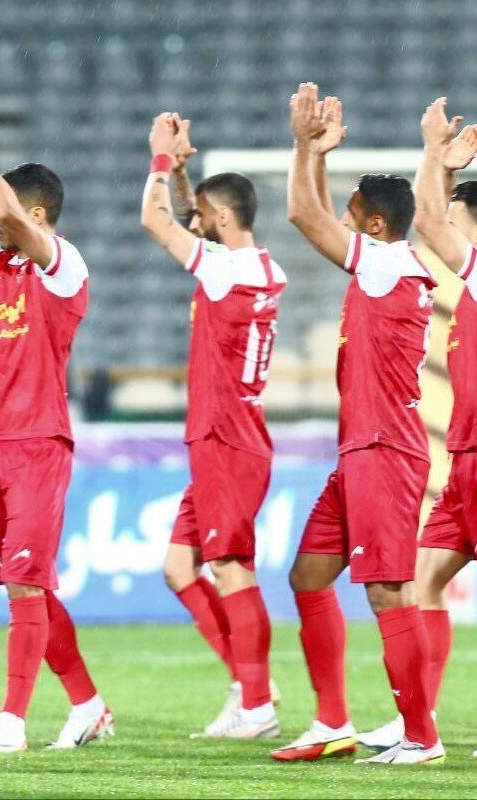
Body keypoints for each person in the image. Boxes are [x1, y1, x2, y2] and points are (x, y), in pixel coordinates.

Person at [0, 78, 114, 753]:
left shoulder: (63, 266)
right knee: (22, 585)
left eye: (8, 211)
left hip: (39, 441)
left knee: (27, 585)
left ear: (36, 212)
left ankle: (11, 721)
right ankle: (88, 704)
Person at [357, 99, 477, 760]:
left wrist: (434, 153)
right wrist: (442, 168)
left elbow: (427, 219)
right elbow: (436, 219)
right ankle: (420, 722)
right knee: (425, 579)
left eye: (460, 226)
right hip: (470, 455)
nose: (447, 238)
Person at [270, 83, 443, 767]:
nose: (339, 223)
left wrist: (301, 147)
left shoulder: (385, 263)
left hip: (386, 449)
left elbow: (300, 214)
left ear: (372, 226)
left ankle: (420, 737)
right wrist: (317, 154)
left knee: (387, 590)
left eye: (351, 215)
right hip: (361, 449)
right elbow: (318, 211)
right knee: (309, 576)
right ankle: (331, 722)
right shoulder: (389, 263)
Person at [141, 112, 286, 739]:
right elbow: (193, 219)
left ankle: (257, 704)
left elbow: (157, 222)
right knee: (180, 568)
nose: (193, 219)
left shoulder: (226, 271)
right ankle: (251, 686)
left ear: (223, 218)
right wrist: (185, 174)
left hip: (227, 437)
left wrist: (158, 159)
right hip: (227, 434)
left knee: (231, 569)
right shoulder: (257, 268)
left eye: (204, 213)